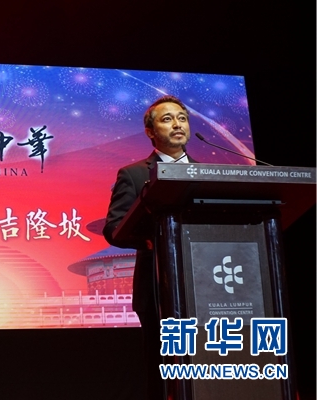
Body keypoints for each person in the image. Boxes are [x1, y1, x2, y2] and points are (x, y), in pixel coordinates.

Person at [103, 95, 197, 400]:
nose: (177, 124)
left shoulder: (209, 171)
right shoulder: (134, 174)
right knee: (165, 372)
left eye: (182, 118)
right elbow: (114, 228)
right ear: (150, 131)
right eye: (167, 119)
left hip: (208, 285)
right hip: (158, 289)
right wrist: (152, 239)